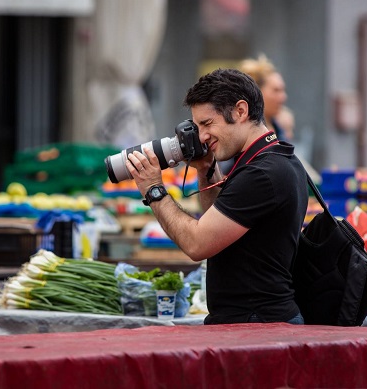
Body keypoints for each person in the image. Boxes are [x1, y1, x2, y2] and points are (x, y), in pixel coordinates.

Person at [125, 68, 308, 324]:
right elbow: (222, 223)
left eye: (207, 124)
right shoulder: (277, 159)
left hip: (257, 327)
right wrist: (206, 169)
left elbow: (198, 244)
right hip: (259, 321)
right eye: (197, 126)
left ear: (240, 111)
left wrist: (154, 189)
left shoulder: (262, 174)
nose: (201, 136)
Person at [240, 54, 292, 140]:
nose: (283, 97)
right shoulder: (245, 135)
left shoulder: (280, 130)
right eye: (276, 90)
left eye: (283, 90)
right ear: (257, 91)